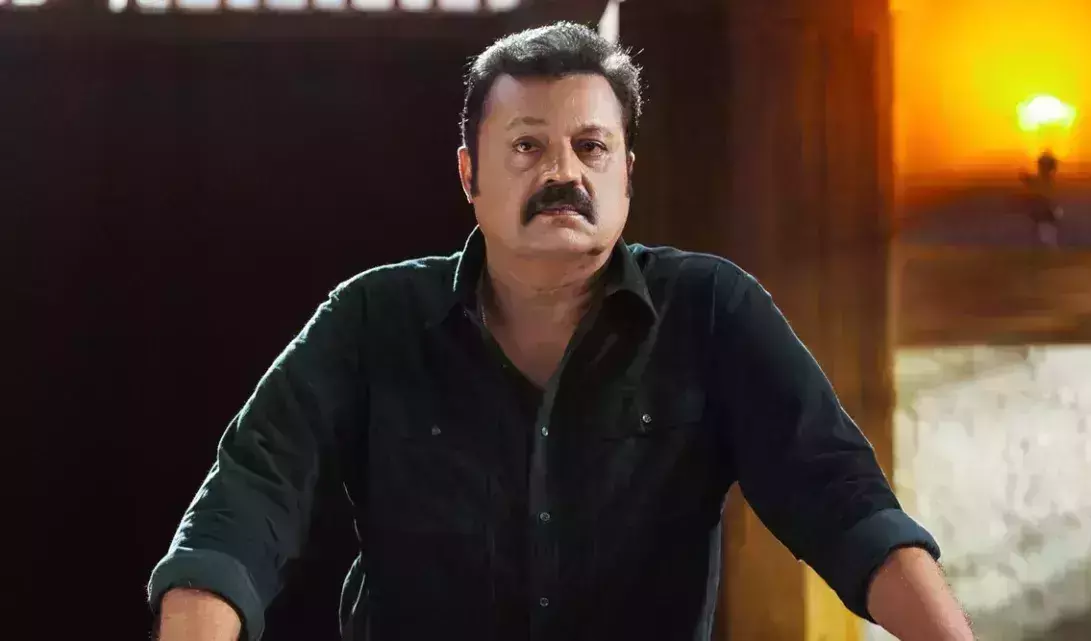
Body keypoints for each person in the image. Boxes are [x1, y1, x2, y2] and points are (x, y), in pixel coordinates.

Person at [149, 21, 973, 641]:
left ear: (626, 176)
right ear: (469, 173)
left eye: (591, 147)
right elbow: (244, 507)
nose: (563, 173)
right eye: (527, 146)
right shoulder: (371, 318)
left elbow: (842, 499)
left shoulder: (711, 309)